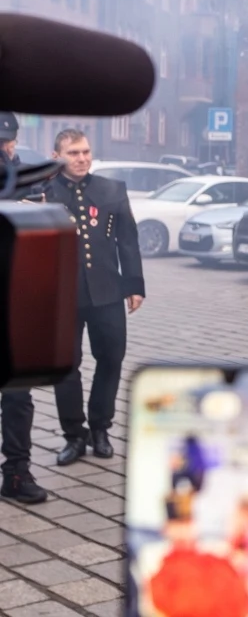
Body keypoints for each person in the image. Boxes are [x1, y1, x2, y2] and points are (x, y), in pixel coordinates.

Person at [46, 128, 145, 466]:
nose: (82, 158)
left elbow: (128, 241)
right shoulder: (44, 191)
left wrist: (133, 285)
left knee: (111, 358)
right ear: (57, 155)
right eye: (74, 153)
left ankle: (101, 427)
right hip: (62, 297)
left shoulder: (111, 190)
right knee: (66, 367)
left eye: (86, 151)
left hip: (106, 292)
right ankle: (74, 435)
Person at [0, 111, 48, 504]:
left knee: (18, 393)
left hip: (16, 299)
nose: (5, 148)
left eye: (8, 141)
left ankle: (16, 472)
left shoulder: (31, 177)